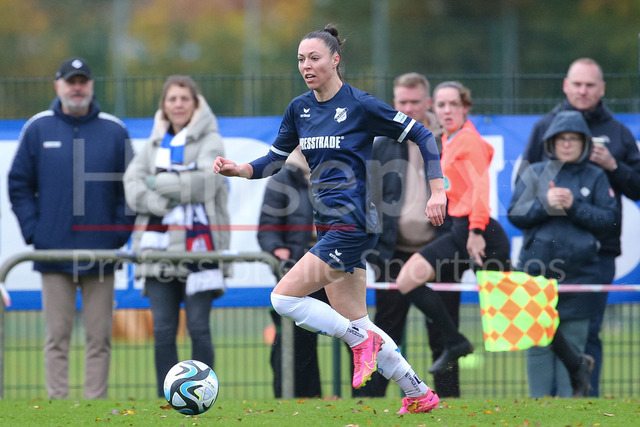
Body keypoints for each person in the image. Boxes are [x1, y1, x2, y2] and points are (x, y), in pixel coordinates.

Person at [214, 24, 446, 414]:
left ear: (335, 59)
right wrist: (239, 169)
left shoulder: (360, 105)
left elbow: (423, 134)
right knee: (359, 321)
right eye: (301, 59)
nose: (306, 66)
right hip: (328, 227)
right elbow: (274, 160)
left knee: (284, 298)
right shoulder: (299, 109)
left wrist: (437, 190)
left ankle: (360, 342)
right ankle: (418, 392)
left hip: (353, 224)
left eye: (314, 58)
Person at [8, 57, 133, 399]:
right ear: (58, 85)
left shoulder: (114, 130)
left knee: (99, 338)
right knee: (56, 337)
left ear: (91, 85)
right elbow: (19, 184)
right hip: (53, 253)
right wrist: (35, 232)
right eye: (70, 81)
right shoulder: (38, 129)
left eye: (82, 81)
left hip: (101, 254)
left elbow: (131, 190)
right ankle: (57, 405)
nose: (77, 87)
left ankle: (95, 405)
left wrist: (117, 234)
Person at [520, 58, 640, 396]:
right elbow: (524, 186)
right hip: (545, 254)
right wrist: (546, 202)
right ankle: (546, 406)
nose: (583, 91)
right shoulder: (543, 126)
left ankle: (586, 402)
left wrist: (614, 166)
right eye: (577, 84)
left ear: (602, 89)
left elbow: (637, 187)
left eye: (590, 85)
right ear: (565, 85)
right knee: (542, 332)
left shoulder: (618, 132)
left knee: (587, 333)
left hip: (598, 253)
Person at [123, 75, 230, 397]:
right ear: (164, 105)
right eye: (172, 99)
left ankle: (202, 395)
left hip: (201, 250)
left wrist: (156, 182)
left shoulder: (211, 140)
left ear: (196, 104)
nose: (178, 104)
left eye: (184, 98)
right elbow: (132, 187)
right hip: (158, 252)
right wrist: (162, 197)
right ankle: (167, 399)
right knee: (163, 330)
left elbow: (205, 183)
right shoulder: (153, 143)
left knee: (198, 327)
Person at [395, 81, 512, 376]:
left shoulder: (467, 140)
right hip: (460, 230)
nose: (447, 111)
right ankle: (455, 341)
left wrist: (476, 232)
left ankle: (575, 362)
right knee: (407, 279)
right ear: (434, 107)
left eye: (454, 105)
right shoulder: (450, 139)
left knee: (516, 309)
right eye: (442, 105)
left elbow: (481, 189)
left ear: (465, 107)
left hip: (479, 234)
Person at [356, 72, 461, 398]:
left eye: (415, 102)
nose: (409, 108)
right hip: (393, 254)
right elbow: (368, 199)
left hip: (440, 253)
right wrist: (374, 252)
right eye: (402, 102)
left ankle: (448, 402)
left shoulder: (449, 144)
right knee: (384, 335)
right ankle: (368, 405)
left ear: (428, 103)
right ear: (394, 102)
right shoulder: (383, 145)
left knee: (444, 335)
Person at [509, 110, 619, 397]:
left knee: (574, 345)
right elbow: (515, 215)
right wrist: (545, 203)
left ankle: (570, 410)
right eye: (561, 138)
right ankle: (538, 408)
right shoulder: (535, 172)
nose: (567, 144)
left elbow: (610, 220)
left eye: (574, 138)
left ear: (584, 142)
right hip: (537, 276)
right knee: (538, 345)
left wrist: (575, 206)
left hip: (581, 275)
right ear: (551, 142)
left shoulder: (596, 175)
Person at [257, 146, 329, 398]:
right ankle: (295, 399)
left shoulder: (339, 173)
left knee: (356, 334)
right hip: (300, 269)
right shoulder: (282, 179)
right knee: (295, 340)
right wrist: (279, 251)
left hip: (335, 265)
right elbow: (267, 229)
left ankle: (367, 399)